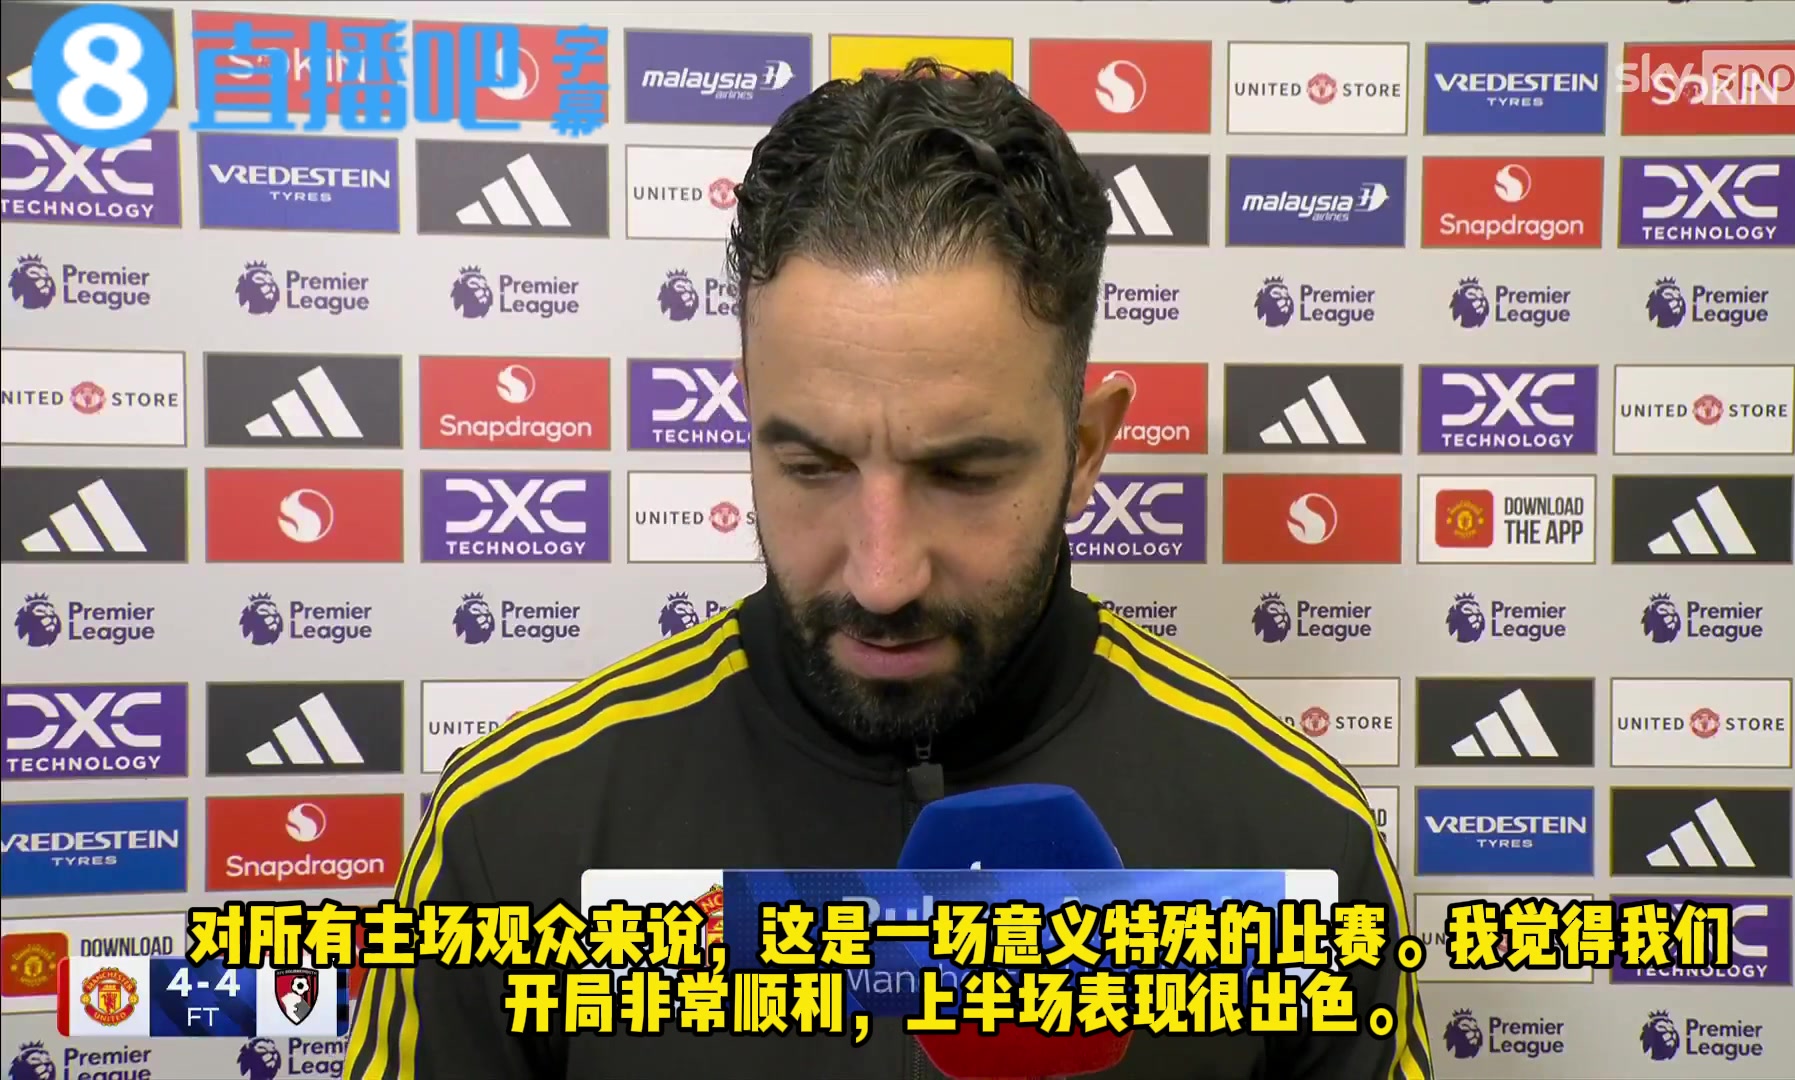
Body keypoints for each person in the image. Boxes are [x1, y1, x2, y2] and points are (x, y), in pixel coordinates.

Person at [346, 59, 1431, 1080]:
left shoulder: (1297, 847)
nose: (880, 576)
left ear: (1085, 450)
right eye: (812, 465)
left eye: (963, 473)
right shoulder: (517, 833)